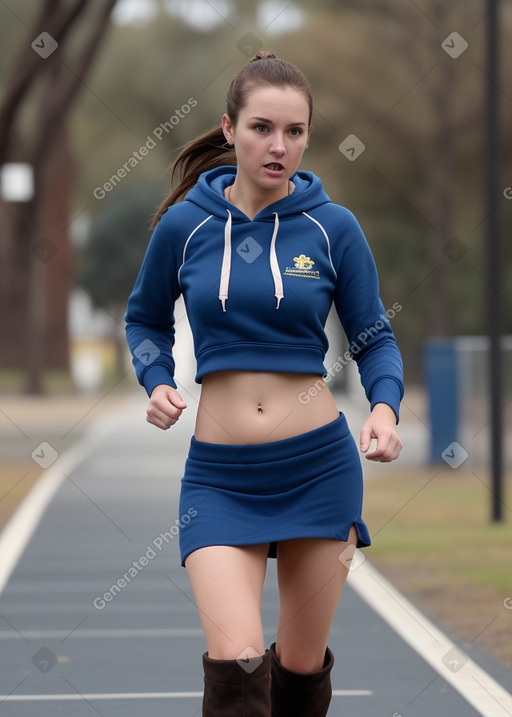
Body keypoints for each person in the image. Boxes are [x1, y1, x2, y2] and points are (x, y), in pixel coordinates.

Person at [125, 50, 403, 717]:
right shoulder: (183, 227)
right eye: (261, 128)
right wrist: (156, 377)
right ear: (229, 128)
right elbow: (144, 317)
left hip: (318, 468)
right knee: (238, 663)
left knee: (300, 673)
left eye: (295, 131)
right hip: (220, 477)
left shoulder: (333, 228)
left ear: (307, 135)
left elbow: (375, 335)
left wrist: (386, 408)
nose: (279, 146)